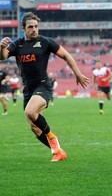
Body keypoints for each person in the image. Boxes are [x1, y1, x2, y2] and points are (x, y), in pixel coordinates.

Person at [0, 12, 90, 162]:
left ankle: (52, 138)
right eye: (30, 27)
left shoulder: (46, 42)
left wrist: (78, 74)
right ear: (23, 28)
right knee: (34, 128)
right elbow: (2, 57)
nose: (34, 29)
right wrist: (1, 47)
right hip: (28, 89)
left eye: (36, 26)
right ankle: (58, 151)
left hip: (43, 86)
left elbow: (67, 56)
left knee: (30, 111)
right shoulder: (17, 45)